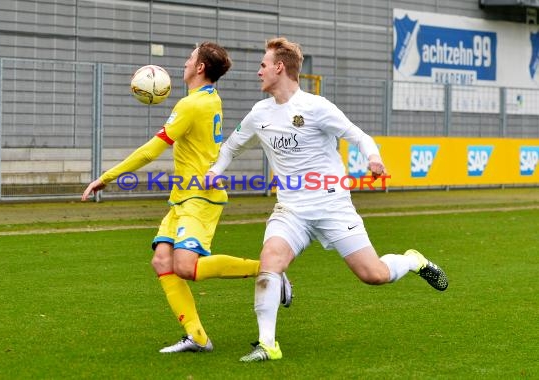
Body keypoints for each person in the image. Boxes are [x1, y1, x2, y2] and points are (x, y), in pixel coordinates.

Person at [206, 37, 448, 362]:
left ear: (280, 68)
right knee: (270, 261)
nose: (258, 71)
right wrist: (216, 171)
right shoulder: (259, 113)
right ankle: (268, 345)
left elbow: (359, 136)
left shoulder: (316, 107)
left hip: (333, 206)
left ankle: (413, 261)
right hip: (291, 209)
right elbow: (232, 146)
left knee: (373, 274)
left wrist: (373, 159)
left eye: (263, 65)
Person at [81, 41, 292, 354]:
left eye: (190, 59)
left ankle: (269, 270)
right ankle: (197, 337)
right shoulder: (205, 99)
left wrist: (106, 177)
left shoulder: (192, 105)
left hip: (200, 198)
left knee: (186, 266)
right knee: (162, 260)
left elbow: (151, 150)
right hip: (182, 197)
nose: (184, 63)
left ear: (200, 67)